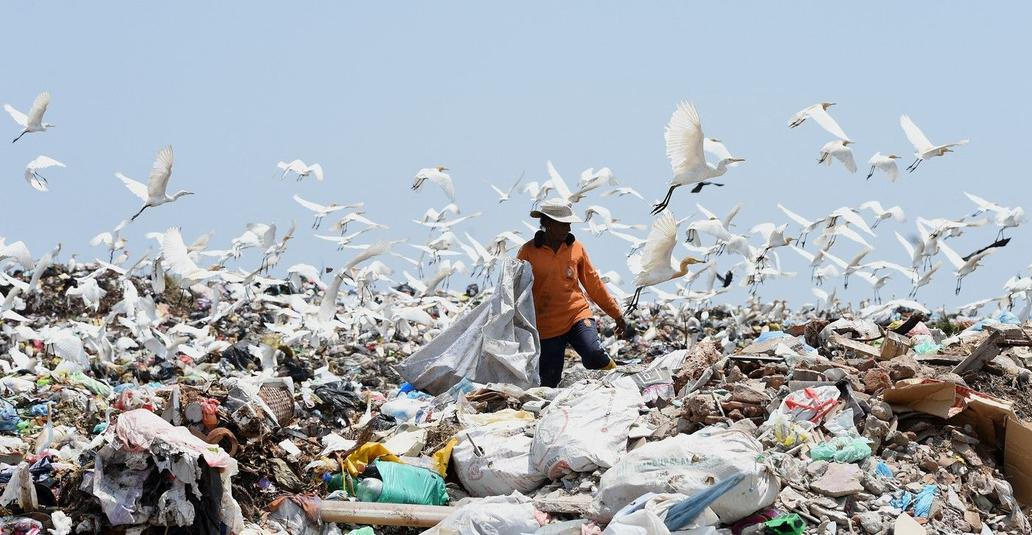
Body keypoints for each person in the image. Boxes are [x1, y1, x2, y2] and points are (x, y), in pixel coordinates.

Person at [516, 200, 627, 387]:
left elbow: (593, 283)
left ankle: (620, 380)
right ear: (548, 223)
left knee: (594, 354)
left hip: (577, 314)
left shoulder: (577, 248)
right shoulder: (528, 252)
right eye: (563, 224)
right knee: (549, 382)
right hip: (546, 327)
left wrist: (616, 313)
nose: (568, 228)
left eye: (569, 223)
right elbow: (515, 289)